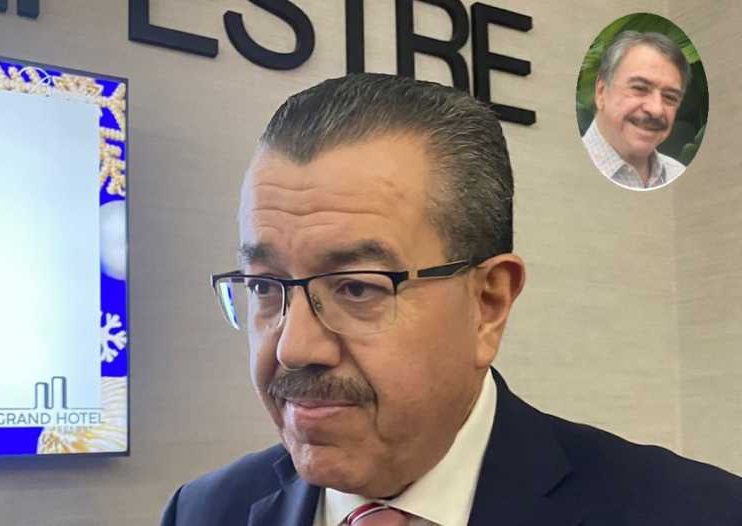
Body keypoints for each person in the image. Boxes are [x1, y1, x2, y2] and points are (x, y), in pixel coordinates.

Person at [162, 73, 742, 526]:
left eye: (357, 288)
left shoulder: (695, 513)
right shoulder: (204, 513)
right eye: (265, 287)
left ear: (488, 304)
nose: (294, 348)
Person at [582, 31, 691, 190]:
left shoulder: (679, 176)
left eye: (670, 97)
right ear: (601, 91)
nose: (656, 109)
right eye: (640, 88)